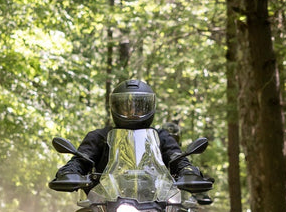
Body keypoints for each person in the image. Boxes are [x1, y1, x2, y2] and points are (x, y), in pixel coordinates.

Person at [52, 79, 203, 186]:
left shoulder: (161, 137)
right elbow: (81, 160)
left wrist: (188, 172)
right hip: (104, 204)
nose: (132, 112)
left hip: (156, 202)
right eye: (126, 107)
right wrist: (69, 173)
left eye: (139, 107)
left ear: (150, 107)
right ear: (115, 107)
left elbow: (177, 158)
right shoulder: (99, 137)